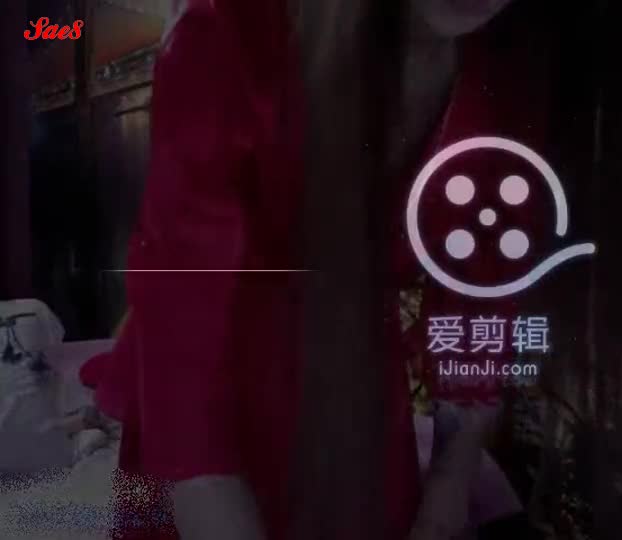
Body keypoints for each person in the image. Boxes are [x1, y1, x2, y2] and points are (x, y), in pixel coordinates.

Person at [68, 0, 575, 538]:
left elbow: (478, 295)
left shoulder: (502, 65)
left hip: (359, 399)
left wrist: (447, 489)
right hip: (199, 400)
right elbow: (182, 302)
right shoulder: (230, 28)